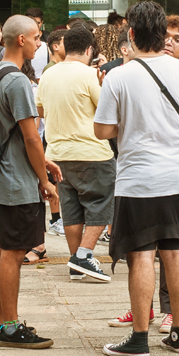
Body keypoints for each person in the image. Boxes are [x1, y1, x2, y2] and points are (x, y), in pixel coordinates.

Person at [95, 2, 179, 356]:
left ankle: (138, 338)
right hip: (178, 178)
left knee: (141, 255)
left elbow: (103, 129)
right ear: (163, 36)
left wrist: (131, 121)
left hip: (137, 179)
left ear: (132, 35)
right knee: (176, 252)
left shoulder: (120, 75)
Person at [0, 15, 59, 350]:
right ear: (22, 40)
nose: (40, 43)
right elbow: (30, 138)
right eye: (37, 37)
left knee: (2, 248)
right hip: (16, 180)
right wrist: (45, 179)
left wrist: (43, 161)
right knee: (13, 252)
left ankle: (1, 321)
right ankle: (10, 326)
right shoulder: (19, 82)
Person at [36, 27, 114, 283]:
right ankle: (83, 254)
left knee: (70, 210)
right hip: (92, 151)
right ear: (90, 50)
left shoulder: (47, 75)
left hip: (57, 153)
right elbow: (106, 111)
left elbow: (40, 109)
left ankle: (75, 262)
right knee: (101, 203)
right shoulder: (90, 74)